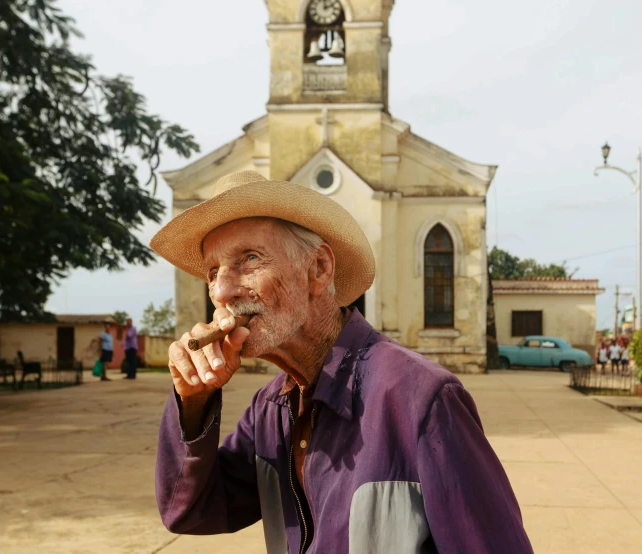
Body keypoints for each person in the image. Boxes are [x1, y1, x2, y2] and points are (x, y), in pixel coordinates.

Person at [150, 171, 533, 553]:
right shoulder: (269, 410)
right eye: (213, 272)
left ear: (318, 268)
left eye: (248, 259)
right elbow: (189, 510)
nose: (221, 291)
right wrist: (193, 401)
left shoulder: (421, 400)